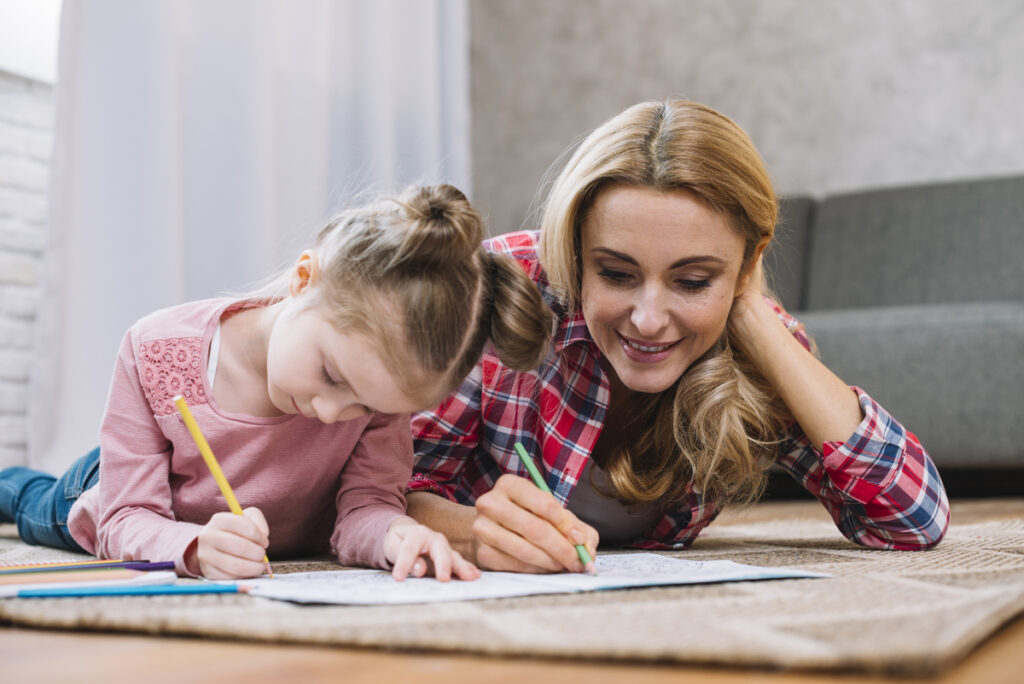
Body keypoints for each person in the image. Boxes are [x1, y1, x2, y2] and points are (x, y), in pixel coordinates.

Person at [406, 100, 950, 574]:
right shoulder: (503, 289)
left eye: (692, 281)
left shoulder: (756, 341)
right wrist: (477, 532)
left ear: (745, 265)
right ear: (574, 251)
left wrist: (751, 316)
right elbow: (384, 490)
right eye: (616, 274)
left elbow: (913, 520)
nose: (647, 319)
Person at [0, 184, 552, 581]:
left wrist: (394, 535)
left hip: (244, 529)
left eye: (364, 408)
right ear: (304, 279)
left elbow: (364, 509)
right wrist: (192, 547)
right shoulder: (156, 348)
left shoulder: (378, 391)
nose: (334, 413)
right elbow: (125, 518)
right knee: (34, 503)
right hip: (114, 490)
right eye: (331, 375)